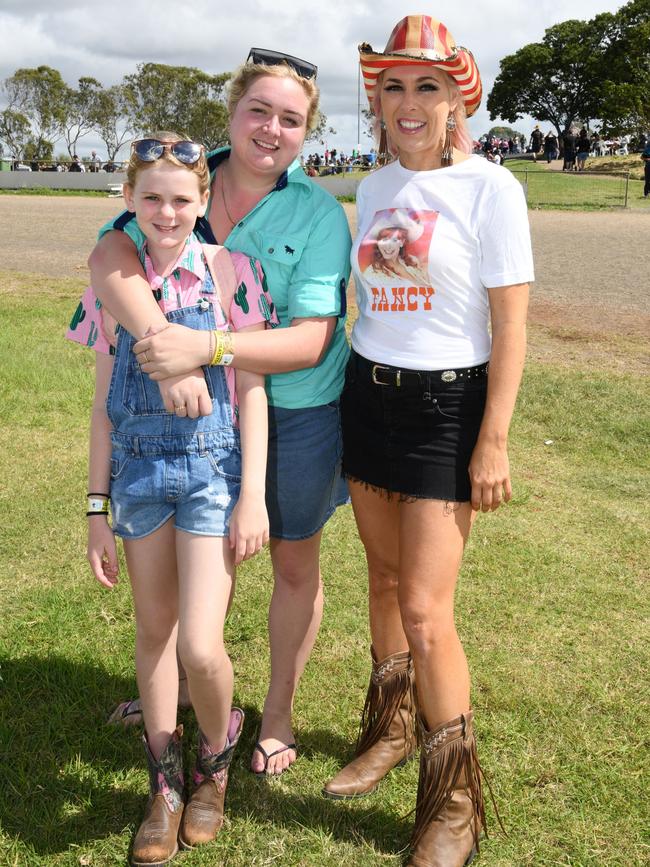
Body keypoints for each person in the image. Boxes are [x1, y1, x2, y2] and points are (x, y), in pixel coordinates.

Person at [87, 50, 351, 776]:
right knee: (187, 563)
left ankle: (276, 713)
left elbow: (309, 338)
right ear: (233, 112)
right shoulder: (183, 178)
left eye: (290, 119)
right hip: (187, 427)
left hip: (290, 408)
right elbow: (110, 254)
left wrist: (201, 348)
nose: (271, 129)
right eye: (258, 111)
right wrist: (157, 343)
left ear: (307, 132)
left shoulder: (319, 212)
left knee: (292, 560)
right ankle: (176, 688)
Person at [322, 15, 534, 867]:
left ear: (456, 99)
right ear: (377, 100)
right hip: (367, 398)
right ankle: (390, 728)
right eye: (393, 86)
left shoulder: (492, 188)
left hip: (448, 411)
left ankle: (453, 801)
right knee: (378, 578)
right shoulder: (372, 190)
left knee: (425, 609)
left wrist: (495, 439)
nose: (408, 103)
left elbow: (511, 326)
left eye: (427, 86)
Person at [68, 132, 278, 865]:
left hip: (212, 475)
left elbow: (251, 391)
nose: (166, 212)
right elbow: (102, 403)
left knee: (199, 643)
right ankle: (163, 784)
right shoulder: (110, 282)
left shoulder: (231, 272)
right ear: (128, 200)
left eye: (181, 199)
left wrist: (252, 495)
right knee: (155, 633)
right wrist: (96, 507)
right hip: (136, 476)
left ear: (202, 203)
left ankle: (213, 761)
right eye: (150, 198)